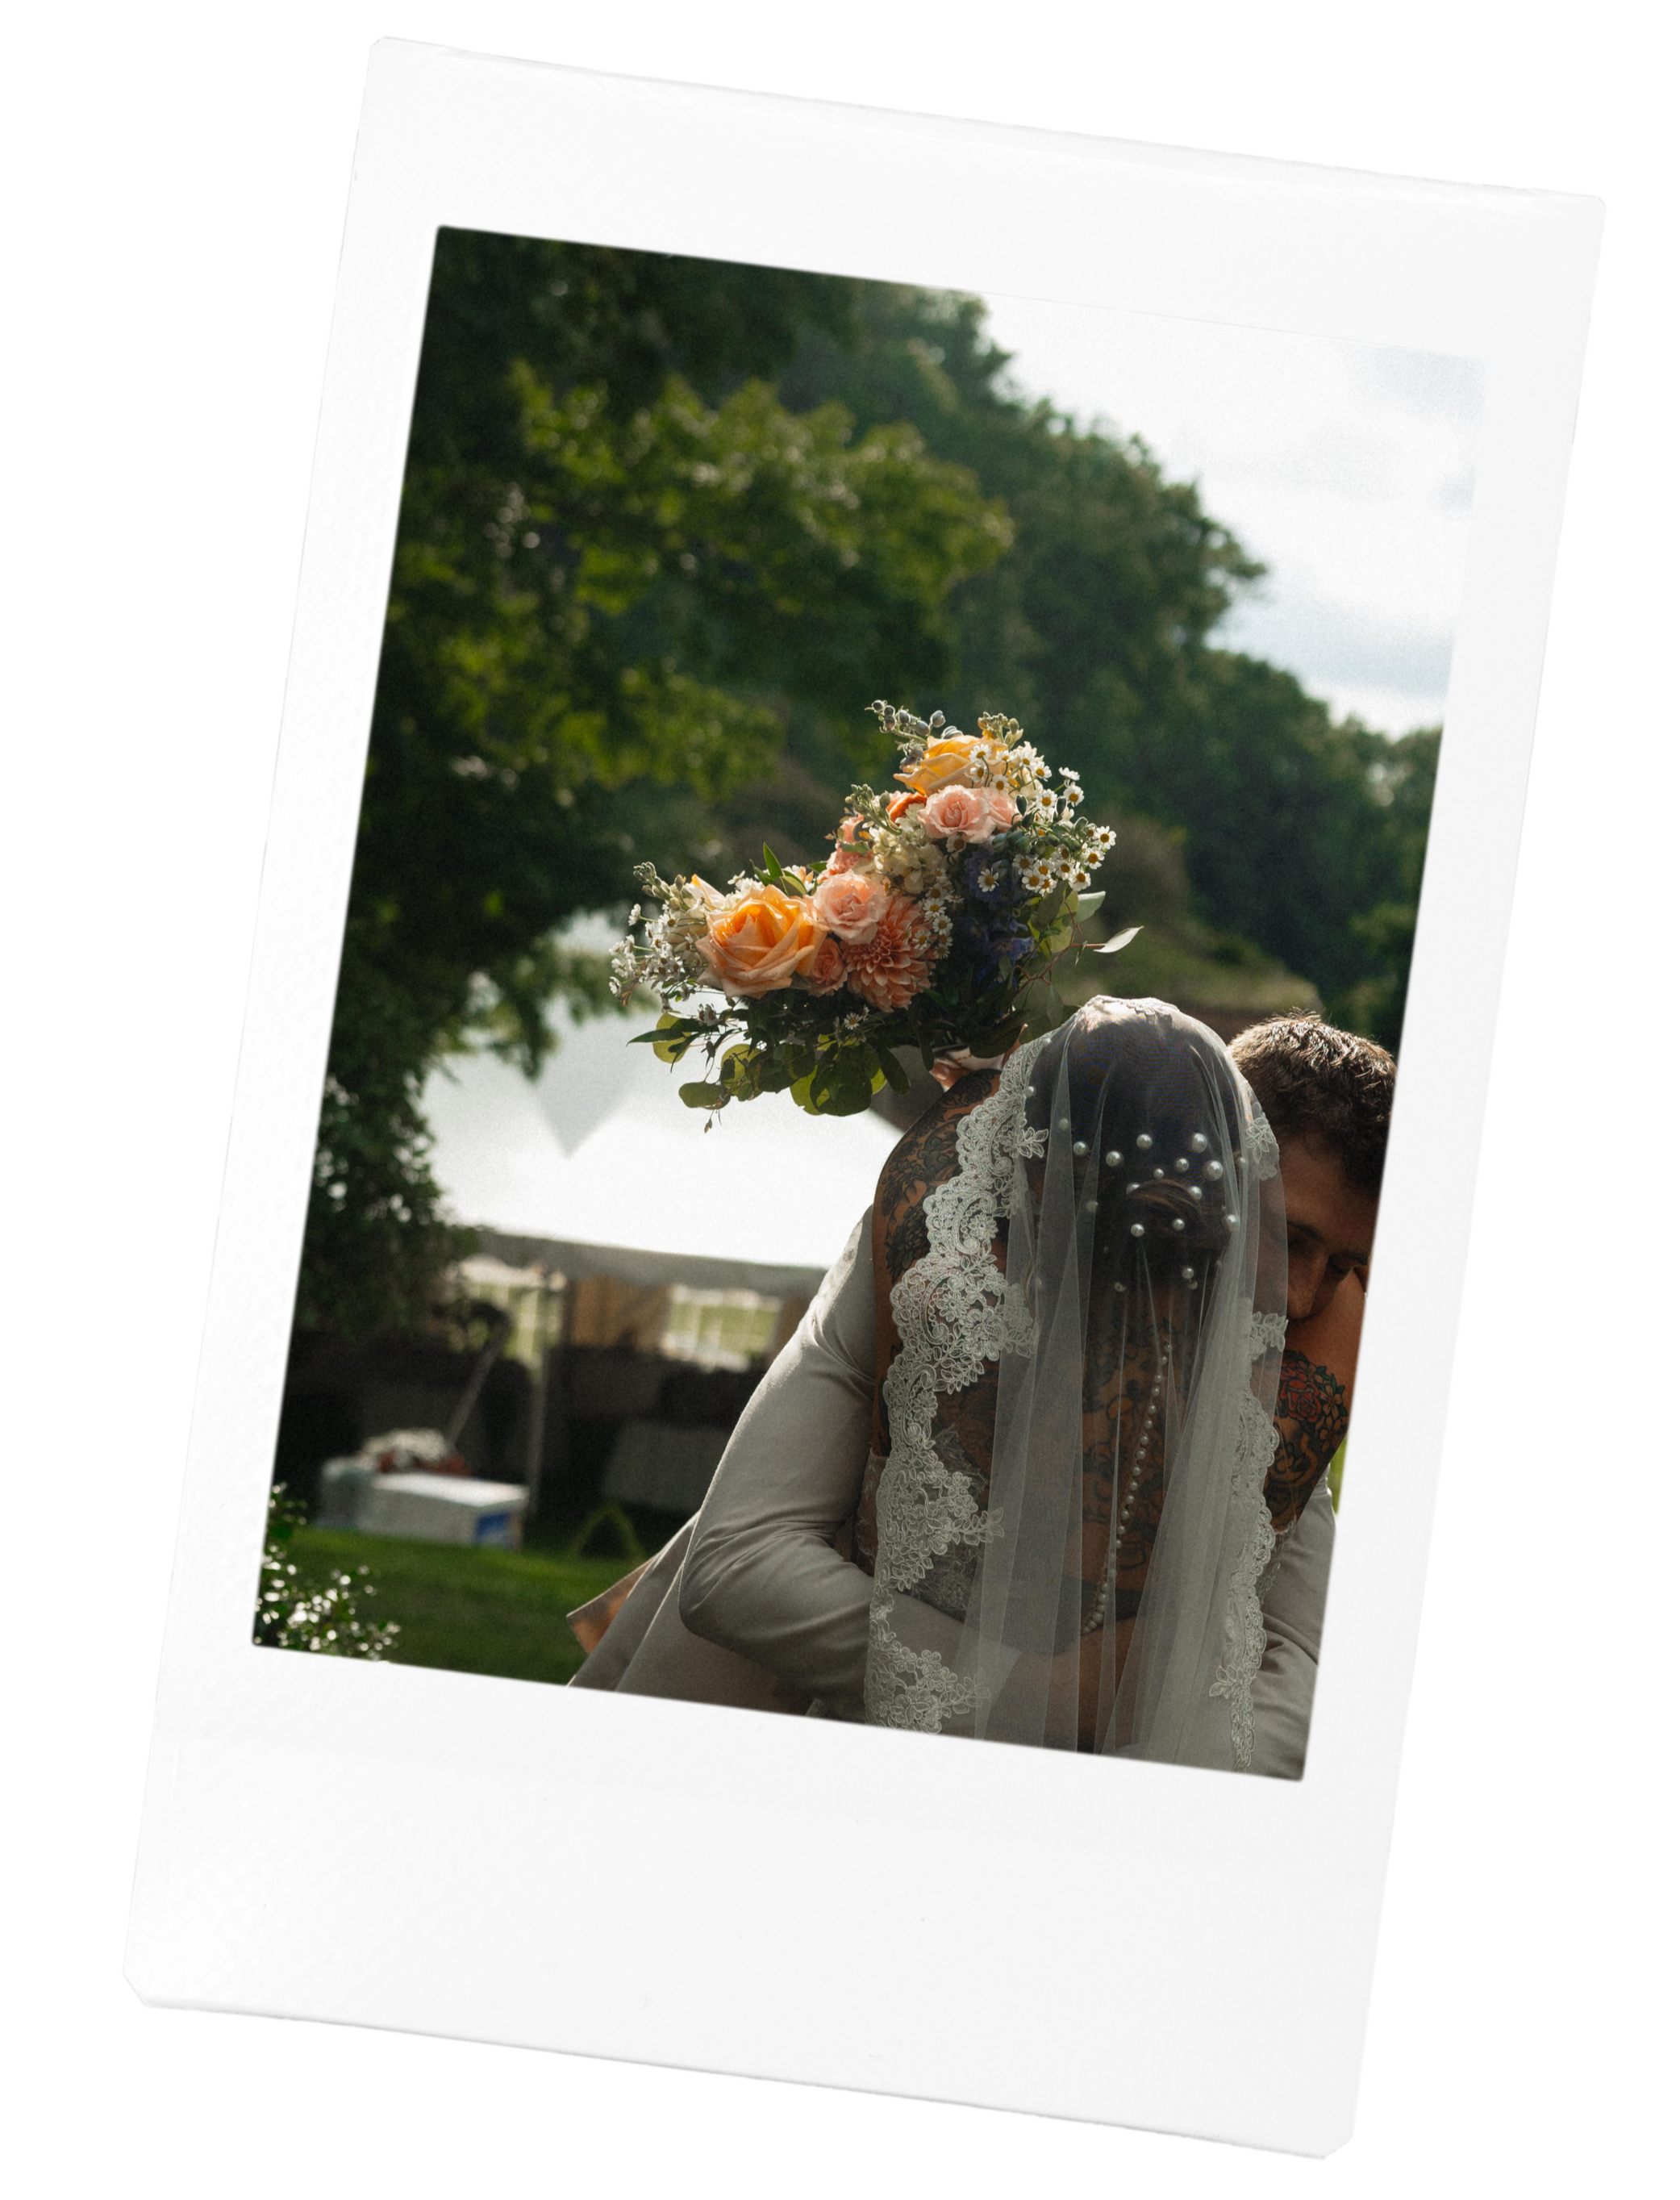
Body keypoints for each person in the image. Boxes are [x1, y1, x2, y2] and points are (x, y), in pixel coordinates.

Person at [570, 1001, 1393, 1778]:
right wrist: (1037, 1696)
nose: (1305, 1297)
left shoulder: (1292, 1367)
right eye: (1288, 1238)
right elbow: (740, 1563)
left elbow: (1308, 1662)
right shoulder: (936, 1248)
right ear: (1212, 1158)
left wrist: (1145, 1778)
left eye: (1346, 1265)